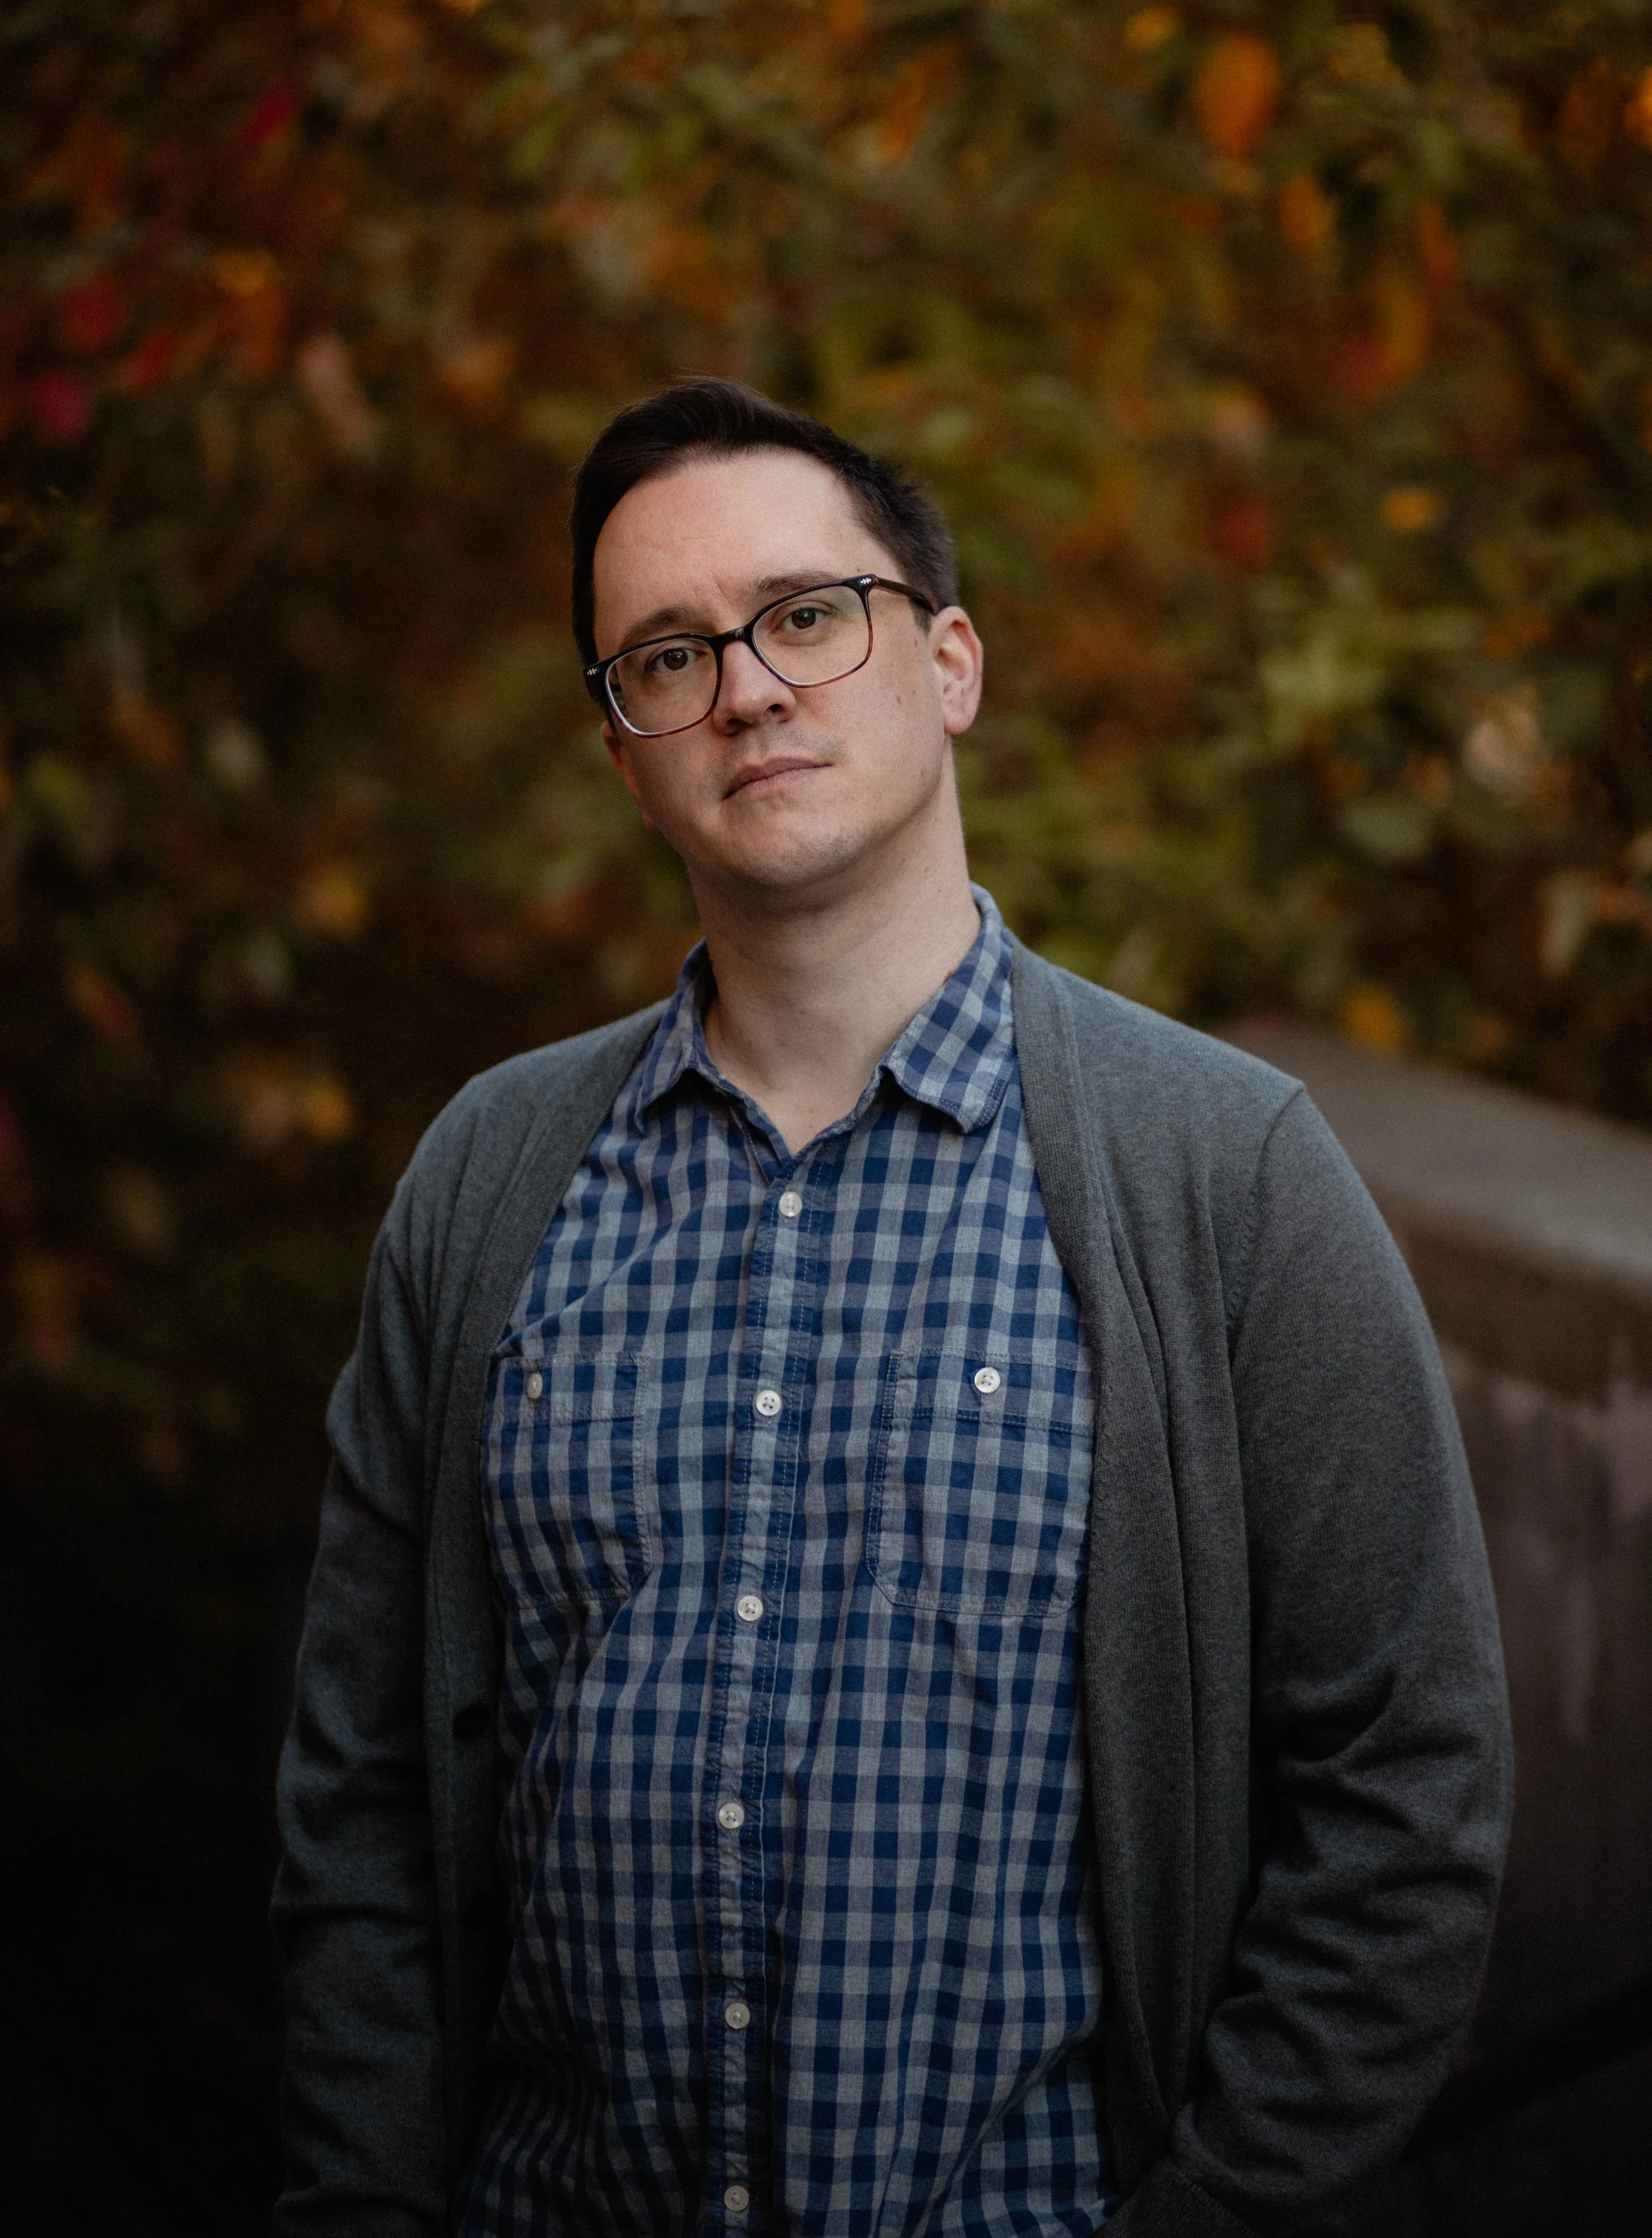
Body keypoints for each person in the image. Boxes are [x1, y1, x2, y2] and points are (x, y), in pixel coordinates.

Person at [273, 377, 1513, 2238]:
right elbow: (361, 1790)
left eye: (802, 615)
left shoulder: (1221, 1174)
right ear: (623, 748)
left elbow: (1406, 1793)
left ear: (946, 663)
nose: (748, 689)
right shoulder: (487, 1181)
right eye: (665, 655)